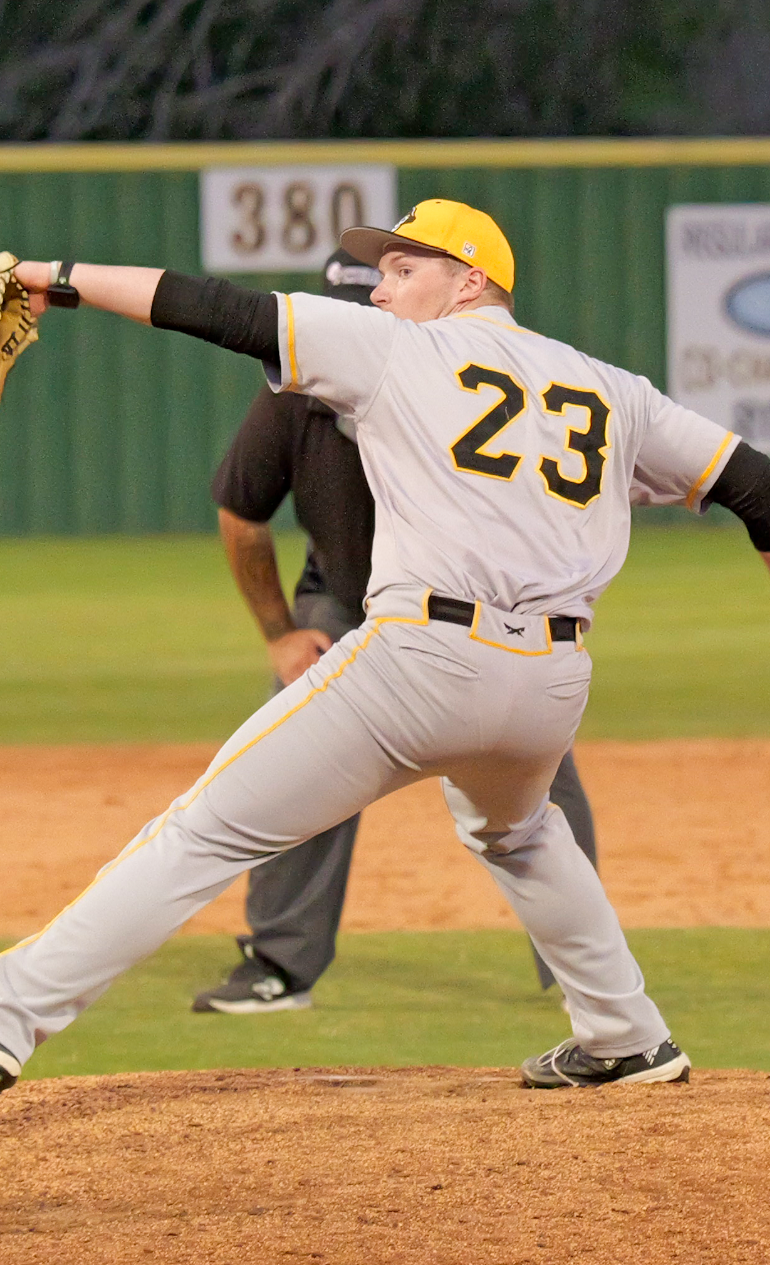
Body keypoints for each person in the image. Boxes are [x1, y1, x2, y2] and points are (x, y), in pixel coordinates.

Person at [0, 198, 770, 1094]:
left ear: (469, 281)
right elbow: (758, 485)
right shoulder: (610, 390)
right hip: (549, 684)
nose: (383, 283)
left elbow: (211, 308)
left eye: (406, 268)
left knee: (206, 829)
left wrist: (52, 279)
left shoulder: (395, 348)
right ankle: (626, 1037)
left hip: (422, 661)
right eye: (382, 269)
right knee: (522, 833)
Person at [193, 248, 592, 1014]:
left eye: (391, 289)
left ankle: (586, 971)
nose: (376, 307)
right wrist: (279, 633)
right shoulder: (296, 396)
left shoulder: (479, 390)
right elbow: (241, 512)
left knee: (538, 769)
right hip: (347, 604)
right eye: (361, 298)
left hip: (475, 607)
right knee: (297, 760)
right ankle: (278, 962)